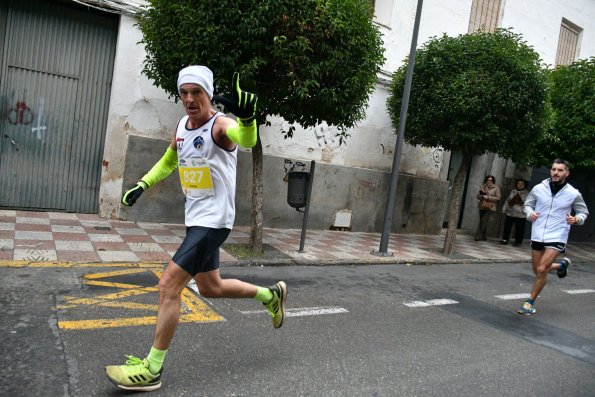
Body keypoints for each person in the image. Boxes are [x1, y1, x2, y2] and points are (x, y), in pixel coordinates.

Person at [105, 66, 287, 391]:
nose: (189, 99)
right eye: (184, 93)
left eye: (197, 92)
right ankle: (270, 295)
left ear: (209, 94)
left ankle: (152, 369)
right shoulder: (181, 126)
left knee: (167, 287)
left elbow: (245, 138)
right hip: (196, 221)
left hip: (213, 222)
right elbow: (169, 160)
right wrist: (143, 184)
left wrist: (248, 122)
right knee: (210, 288)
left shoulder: (220, 126)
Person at [517, 159, 589, 316]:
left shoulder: (573, 193)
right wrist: (530, 213)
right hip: (538, 233)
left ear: (566, 173)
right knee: (537, 270)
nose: (556, 172)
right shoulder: (539, 188)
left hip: (558, 234)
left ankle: (529, 303)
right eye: (554, 169)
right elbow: (527, 205)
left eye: (560, 170)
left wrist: (576, 219)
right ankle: (560, 266)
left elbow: (583, 212)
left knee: (542, 269)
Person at [500, 178, 529, 246]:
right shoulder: (513, 191)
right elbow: (507, 200)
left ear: (525, 185)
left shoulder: (527, 193)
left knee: (519, 229)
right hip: (510, 212)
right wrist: (504, 208)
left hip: (521, 214)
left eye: (522, 184)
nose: (520, 185)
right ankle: (505, 239)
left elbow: (528, 204)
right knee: (507, 227)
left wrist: (523, 210)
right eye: (518, 183)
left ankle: (518, 242)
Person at [474, 175, 501, 241]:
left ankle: (478, 236)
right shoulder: (483, 186)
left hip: (490, 207)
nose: (489, 181)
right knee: (483, 221)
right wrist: (482, 195)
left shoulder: (496, 188)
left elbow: (498, 198)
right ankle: (484, 236)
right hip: (482, 206)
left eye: (491, 180)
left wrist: (488, 197)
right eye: (488, 180)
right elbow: (478, 196)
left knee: (483, 221)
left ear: (493, 181)